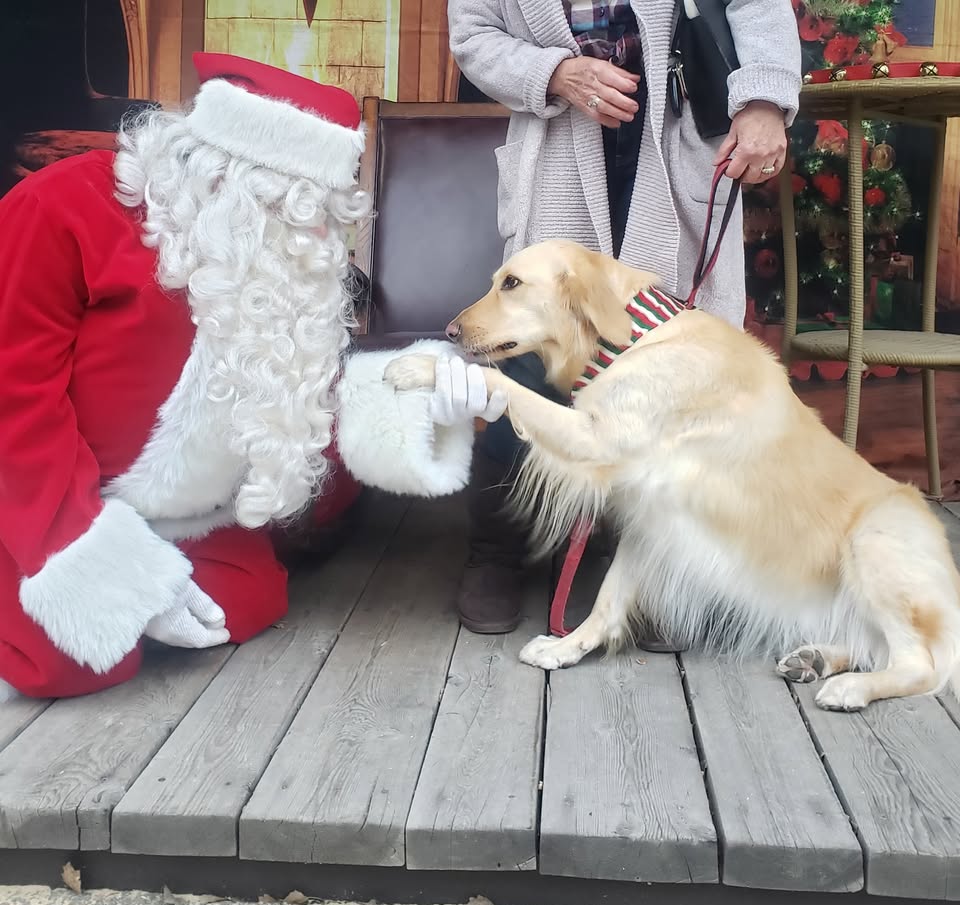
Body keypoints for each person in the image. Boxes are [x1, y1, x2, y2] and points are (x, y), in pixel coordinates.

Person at [0, 52, 503, 701]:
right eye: (296, 208)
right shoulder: (59, 204)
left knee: (245, 599)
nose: (317, 235)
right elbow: (15, 395)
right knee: (74, 659)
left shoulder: (286, 276)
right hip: (56, 504)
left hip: (197, 521)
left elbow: (310, 423)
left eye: (320, 213)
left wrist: (419, 395)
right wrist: (88, 553)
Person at [447, 0, 802, 634]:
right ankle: (498, 549)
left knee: (676, 365)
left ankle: (661, 563)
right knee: (531, 358)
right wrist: (554, 72)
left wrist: (765, 100)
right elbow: (474, 35)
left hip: (674, 149)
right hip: (557, 150)